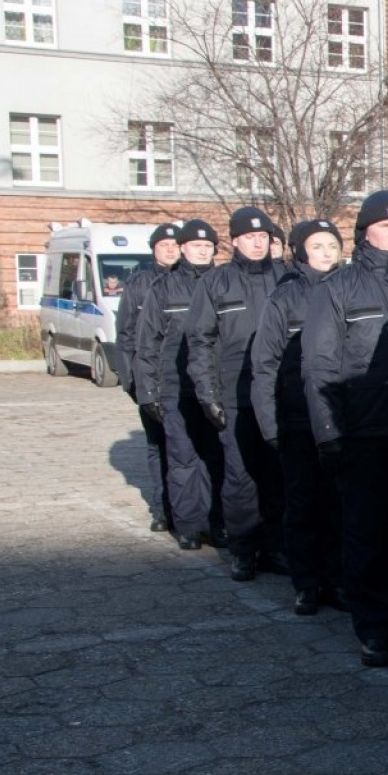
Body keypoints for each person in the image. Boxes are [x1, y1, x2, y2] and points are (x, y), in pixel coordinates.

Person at [302, 189, 388, 668]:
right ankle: (373, 629)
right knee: (366, 534)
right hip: (364, 434)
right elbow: (319, 367)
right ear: (365, 234)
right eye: (387, 225)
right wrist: (329, 433)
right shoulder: (338, 288)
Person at [252, 219, 347, 616]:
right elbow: (265, 364)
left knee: (340, 507)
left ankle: (338, 580)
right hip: (298, 420)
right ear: (300, 252)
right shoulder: (285, 297)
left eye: (332, 245)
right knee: (304, 504)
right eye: (317, 246)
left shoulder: (348, 288)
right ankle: (307, 583)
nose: (326, 253)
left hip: (341, 419)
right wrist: (270, 423)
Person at [187, 205, 288, 582]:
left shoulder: (285, 276)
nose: (258, 243)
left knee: (277, 476)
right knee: (241, 477)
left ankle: (275, 547)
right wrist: (207, 393)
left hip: (277, 396)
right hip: (235, 396)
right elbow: (199, 342)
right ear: (234, 241)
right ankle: (243, 550)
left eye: (263, 237)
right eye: (250, 237)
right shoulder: (216, 283)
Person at [134, 219, 226, 551]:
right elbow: (147, 345)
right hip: (176, 391)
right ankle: (189, 526)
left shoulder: (224, 283)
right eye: (196, 245)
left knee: (219, 460)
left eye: (208, 246)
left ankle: (219, 524)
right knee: (184, 460)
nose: (202, 251)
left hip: (217, 390)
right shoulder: (164, 288)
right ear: (183, 248)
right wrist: (148, 393)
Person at [117, 223, 182, 533]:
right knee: (158, 446)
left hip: (179, 382)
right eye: (163, 245)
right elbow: (126, 336)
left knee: (185, 449)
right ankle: (162, 509)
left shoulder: (189, 281)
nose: (170, 250)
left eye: (174, 244)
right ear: (153, 249)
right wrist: (133, 383)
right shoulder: (140, 284)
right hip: (148, 380)